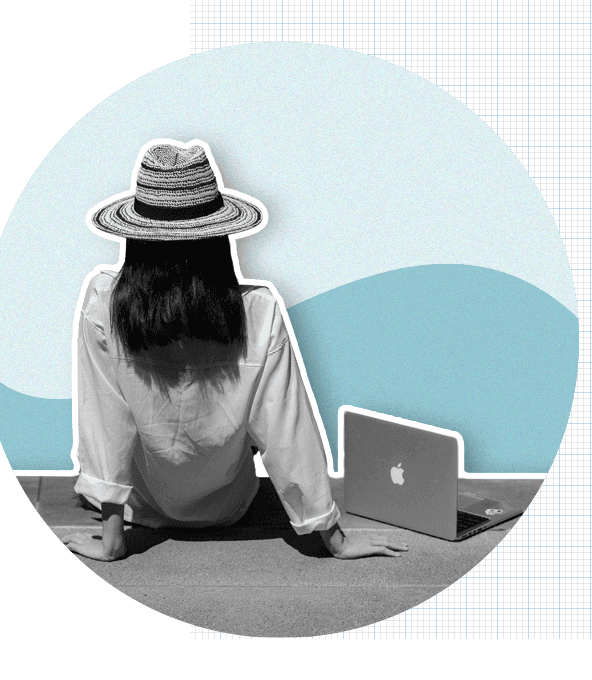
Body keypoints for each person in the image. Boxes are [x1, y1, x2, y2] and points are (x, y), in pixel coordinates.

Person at [62, 140, 409, 561]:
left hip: (142, 508)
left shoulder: (104, 308)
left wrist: (114, 540)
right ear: (218, 237)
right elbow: (287, 433)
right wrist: (333, 538)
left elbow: (105, 427)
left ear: (136, 237)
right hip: (229, 507)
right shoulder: (258, 313)